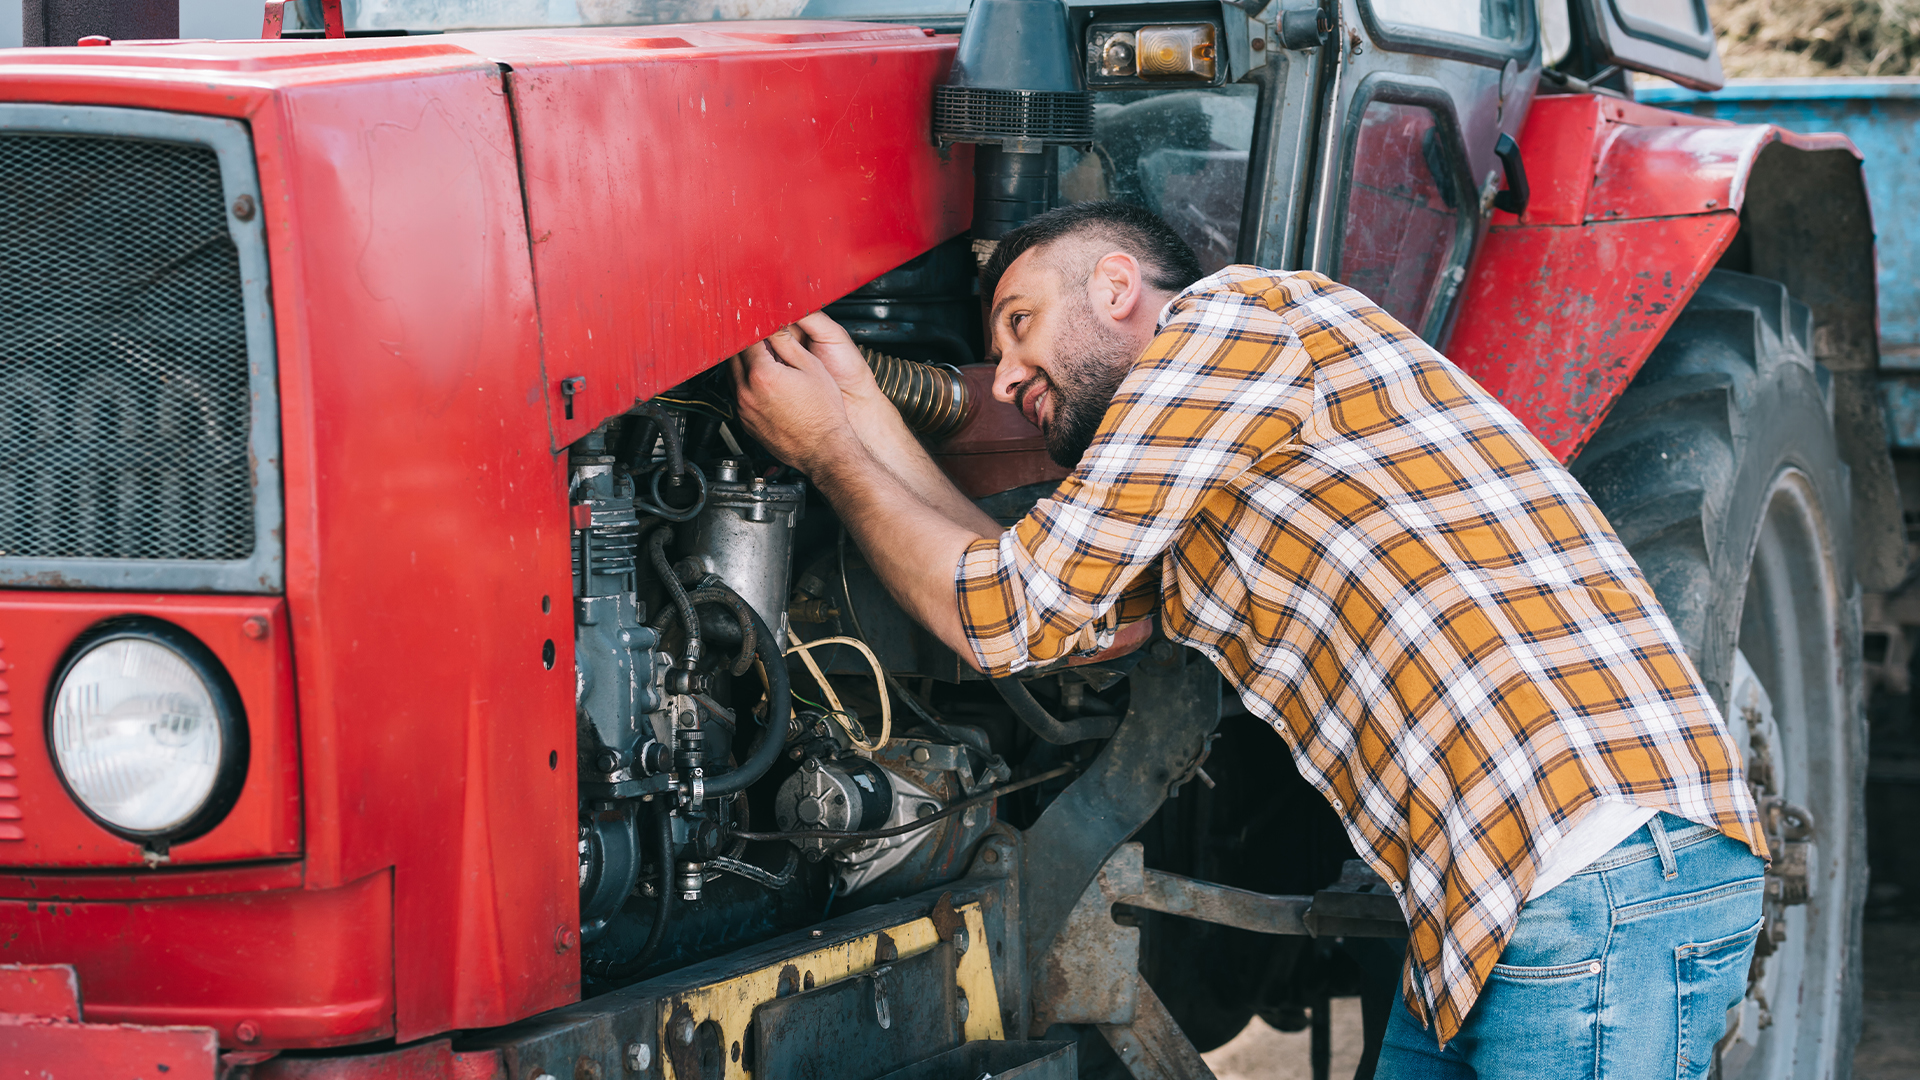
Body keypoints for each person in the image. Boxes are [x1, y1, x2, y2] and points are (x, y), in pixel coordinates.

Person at [730, 200, 1769, 1079]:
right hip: (1494, 911)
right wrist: (859, 417)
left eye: (1019, 320)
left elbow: (1008, 612)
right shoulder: (1213, 484)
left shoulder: (1235, 325)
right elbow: (1019, 599)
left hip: (1591, 882)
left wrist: (834, 452)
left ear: (1116, 284)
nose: (1002, 377)